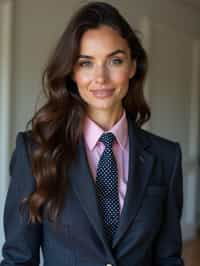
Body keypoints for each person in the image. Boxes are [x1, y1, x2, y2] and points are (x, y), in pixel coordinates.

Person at [0, 2, 184, 266]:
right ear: (72, 72)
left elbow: (168, 258)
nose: (101, 77)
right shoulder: (35, 152)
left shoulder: (167, 157)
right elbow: (18, 259)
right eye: (86, 63)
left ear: (132, 66)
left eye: (115, 61)